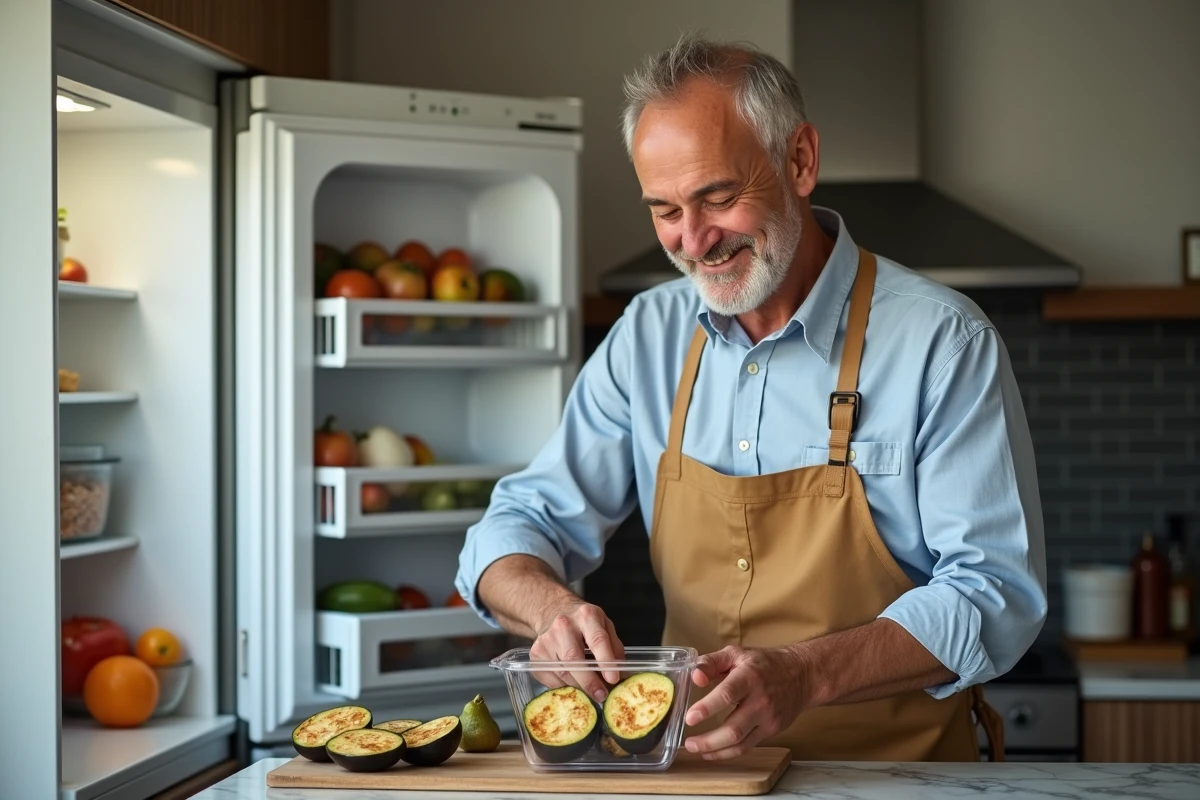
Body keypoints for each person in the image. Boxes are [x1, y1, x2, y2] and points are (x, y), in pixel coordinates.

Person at [455, 33, 1047, 762]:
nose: (694, 239)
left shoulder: (943, 342)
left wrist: (805, 675)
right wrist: (552, 608)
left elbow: (996, 594)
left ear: (799, 161)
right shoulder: (647, 337)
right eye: (664, 209)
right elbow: (516, 523)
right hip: (695, 777)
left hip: (900, 779)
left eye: (718, 197)